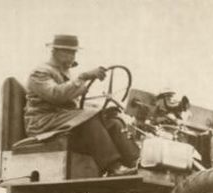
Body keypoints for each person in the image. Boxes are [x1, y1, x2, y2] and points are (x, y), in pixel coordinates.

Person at [24, 34, 138, 176]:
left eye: (74, 52)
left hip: (62, 119)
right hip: (43, 122)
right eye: (69, 52)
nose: (73, 56)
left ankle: (135, 163)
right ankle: (113, 167)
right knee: (88, 118)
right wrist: (83, 77)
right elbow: (56, 95)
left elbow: (74, 103)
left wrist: (100, 110)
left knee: (113, 122)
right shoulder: (39, 73)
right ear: (55, 51)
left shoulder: (65, 73)